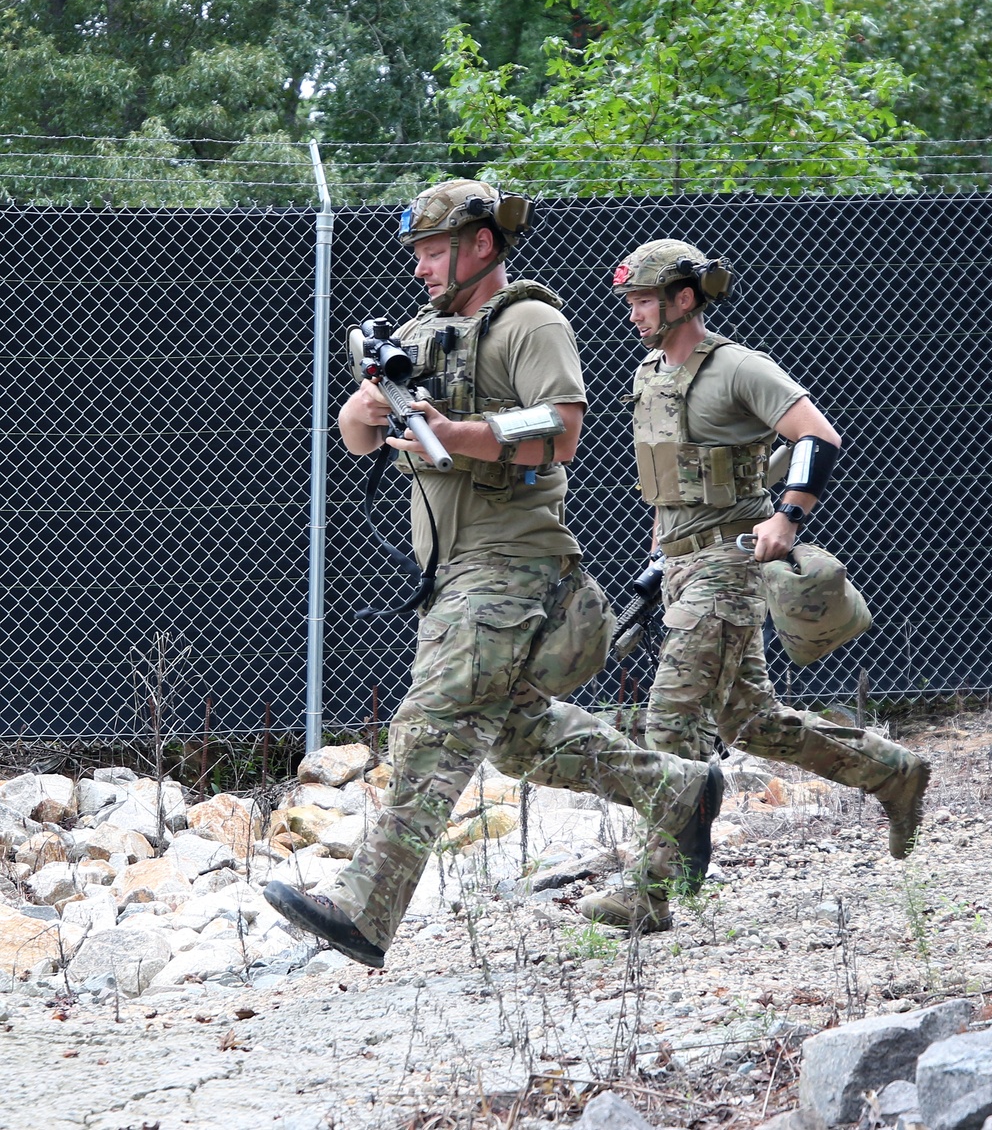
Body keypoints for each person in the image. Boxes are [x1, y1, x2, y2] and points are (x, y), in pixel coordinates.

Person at [265, 184, 722, 959]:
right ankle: (681, 791)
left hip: (514, 564)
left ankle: (364, 911)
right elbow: (354, 435)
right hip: (453, 574)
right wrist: (366, 414)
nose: (420, 269)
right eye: (416, 255)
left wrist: (457, 432)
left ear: (483, 244)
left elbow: (561, 428)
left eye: (434, 251)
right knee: (515, 738)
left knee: (430, 722)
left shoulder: (530, 322)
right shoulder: (415, 334)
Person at [579, 239, 930, 928]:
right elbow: (673, 485)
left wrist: (788, 519)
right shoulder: (651, 372)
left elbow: (816, 436)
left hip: (729, 568)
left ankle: (650, 891)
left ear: (686, 299)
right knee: (750, 721)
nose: (634, 313)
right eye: (630, 302)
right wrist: (657, 563)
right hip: (680, 565)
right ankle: (893, 772)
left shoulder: (738, 367)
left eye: (645, 300)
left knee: (671, 720)